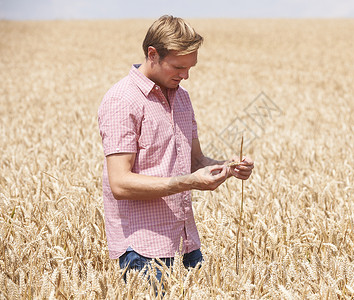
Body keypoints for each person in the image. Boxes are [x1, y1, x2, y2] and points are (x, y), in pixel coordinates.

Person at [97, 15, 254, 284]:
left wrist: (229, 168)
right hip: (143, 249)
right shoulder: (122, 100)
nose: (186, 75)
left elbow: (194, 160)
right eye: (179, 67)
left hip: (185, 242)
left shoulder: (181, 97)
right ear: (153, 54)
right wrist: (188, 183)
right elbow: (120, 183)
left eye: (191, 67)